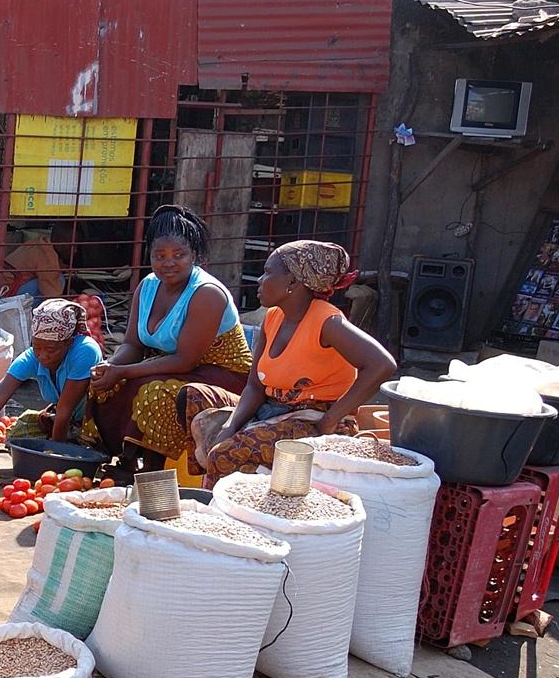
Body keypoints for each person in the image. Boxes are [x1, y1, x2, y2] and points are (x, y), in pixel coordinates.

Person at [181, 240, 397, 483]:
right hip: (272, 409)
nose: (260, 281)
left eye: (268, 272)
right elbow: (254, 386)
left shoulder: (327, 322)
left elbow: (382, 364)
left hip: (312, 420)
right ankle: (212, 480)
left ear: (293, 282)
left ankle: (222, 498)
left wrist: (331, 419)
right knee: (192, 396)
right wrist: (230, 426)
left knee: (226, 452)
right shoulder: (272, 319)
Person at [88, 205, 252, 465]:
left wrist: (125, 372)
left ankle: (152, 470)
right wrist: (111, 366)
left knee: (155, 391)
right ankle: (118, 457)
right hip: (170, 367)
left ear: (194, 255)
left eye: (179, 255)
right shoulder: (147, 286)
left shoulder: (207, 293)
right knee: (106, 384)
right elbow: (132, 344)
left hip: (220, 375)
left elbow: (185, 360)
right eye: (159, 255)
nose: (168, 263)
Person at [0, 299, 106, 459]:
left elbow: (64, 410)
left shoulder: (85, 351)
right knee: (17, 434)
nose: (42, 355)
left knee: (91, 450)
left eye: (50, 349)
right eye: (37, 347)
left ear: (68, 343)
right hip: (65, 421)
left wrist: (54, 456)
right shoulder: (31, 358)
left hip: (97, 420)